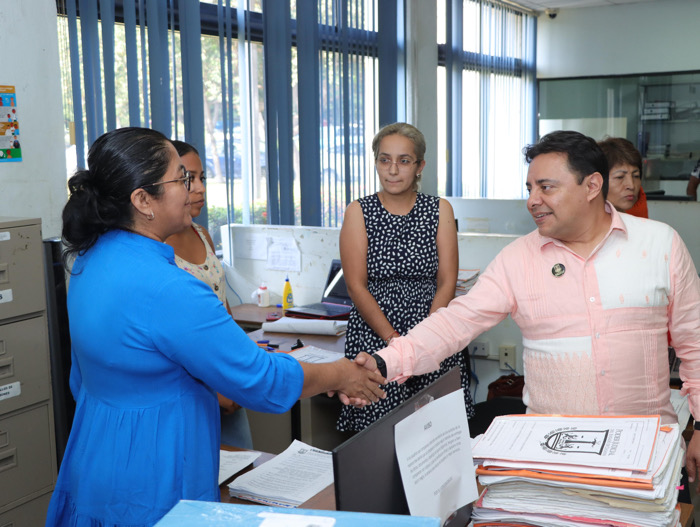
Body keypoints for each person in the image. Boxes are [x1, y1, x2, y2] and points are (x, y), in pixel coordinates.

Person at [46, 127, 386, 526]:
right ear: (143, 200)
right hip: (154, 472)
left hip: (94, 455)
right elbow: (259, 380)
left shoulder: (88, 261)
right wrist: (342, 372)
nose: (192, 188)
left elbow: (83, 376)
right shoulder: (169, 288)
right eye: (181, 178)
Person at [354, 130, 700, 489]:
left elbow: (694, 343)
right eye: (529, 188)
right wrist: (384, 362)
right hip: (552, 464)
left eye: (546, 187)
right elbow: (455, 323)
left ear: (592, 186)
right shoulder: (518, 259)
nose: (532, 200)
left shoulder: (660, 243)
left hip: (647, 456)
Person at [336, 122, 473, 433]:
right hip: (376, 335)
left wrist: (423, 341)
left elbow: (447, 281)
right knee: (380, 437)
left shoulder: (440, 209)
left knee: (438, 437)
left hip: (433, 330)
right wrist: (396, 344)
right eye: (384, 160)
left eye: (404, 160)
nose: (393, 170)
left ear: (420, 166)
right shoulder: (359, 211)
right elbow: (356, 285)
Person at [165, 140, 253, 449]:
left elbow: (225, 314)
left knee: (242, 472)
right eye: (189, 179)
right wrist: (216, 389)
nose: (200, 188)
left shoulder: (202, 235)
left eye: (203, 177)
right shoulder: (154, 251)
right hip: (193, 385)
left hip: (225, 374)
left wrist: (243, 367)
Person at [598, 137, 648, 218]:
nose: (631, 186)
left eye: (636, 176)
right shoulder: (580, 226)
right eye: (620, 177)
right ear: (596, 181)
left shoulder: (638, 223)